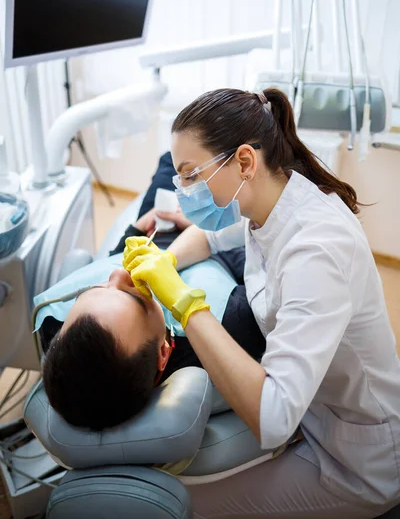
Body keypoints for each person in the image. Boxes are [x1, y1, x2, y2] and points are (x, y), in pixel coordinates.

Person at [125, 88, 400, 518]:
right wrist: (165, 259)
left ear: (245, 162)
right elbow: (214, 234)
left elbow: (273, 419)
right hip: (313, 413)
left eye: (191, 175)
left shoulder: (316, 250)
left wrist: (182, 302)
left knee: (175, 506)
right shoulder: (271, 200)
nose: (182, 191)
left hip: (358, 460)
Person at [41, 152, 265, 431]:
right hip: (210, 252)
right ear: (162, 352)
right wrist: (208, 225)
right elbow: (260, 235)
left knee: (171, 159)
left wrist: (135, 229)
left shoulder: (57, 331)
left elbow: (111, 262)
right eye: (135, 296)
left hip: (154, 229)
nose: (120, 274)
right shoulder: (234, 321)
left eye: (94, 289)